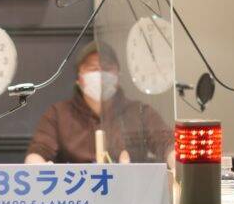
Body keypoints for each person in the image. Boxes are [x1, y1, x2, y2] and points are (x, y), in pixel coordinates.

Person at [25, 41, 174, 166]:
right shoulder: (58, 114)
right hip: (77, 189)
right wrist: (39, 168)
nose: (100, 74)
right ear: (79, 78)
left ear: (118, 75)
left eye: (107, 68)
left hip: (130, 188)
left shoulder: (140, 112)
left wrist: (175, 161)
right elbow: (38, 152)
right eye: (92, 68)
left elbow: (167, 143)